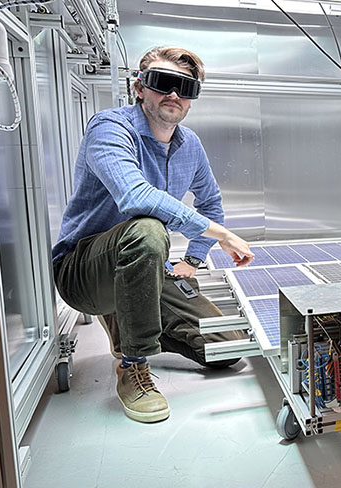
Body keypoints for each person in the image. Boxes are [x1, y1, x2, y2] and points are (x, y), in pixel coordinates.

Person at [51, 46, 254, 423]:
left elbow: (210, 202)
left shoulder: (189, 145)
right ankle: (133, 365)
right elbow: (135, 195)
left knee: (228, 349)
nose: (174, 94)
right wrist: (220, 235)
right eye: (163, 83)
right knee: (148, 229)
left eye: (185, 87)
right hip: (83, 272)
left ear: (192, 100)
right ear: (140, 88)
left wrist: (194, 258)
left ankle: (127, 317)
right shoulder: (110, 128)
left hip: (144, 266)